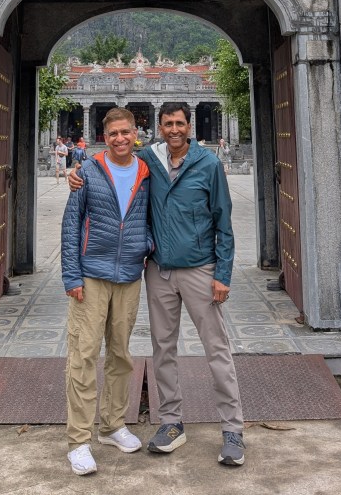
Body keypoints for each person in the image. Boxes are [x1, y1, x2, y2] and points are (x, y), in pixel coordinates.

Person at [69, 101, 245, 466]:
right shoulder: (148, 160)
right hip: (157, 271)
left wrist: (223, 275)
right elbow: (99, 178)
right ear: (158, 128)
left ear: (188, 125)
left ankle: (232, 429)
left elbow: (223, 222)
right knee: (162, 349)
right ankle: (170, 422)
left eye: (180, 123)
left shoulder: (207, 164)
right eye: (168, 124)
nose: (174, 129)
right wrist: (77, 171)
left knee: (216, 349)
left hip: (199, 269)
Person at [61, 107, 152, 476]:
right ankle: (79, 440)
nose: (120, 139)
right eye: (113, 133)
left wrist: (145, 244)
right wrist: (72, 276)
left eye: (125, 132)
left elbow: (154, 215)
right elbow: (71, 224)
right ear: (105, 136)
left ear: (135, 133)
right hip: (91, 274)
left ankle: (113, 425)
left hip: (129, 274)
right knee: (83, 355)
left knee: (120, 354)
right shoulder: (88, 172)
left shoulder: (147, 172)